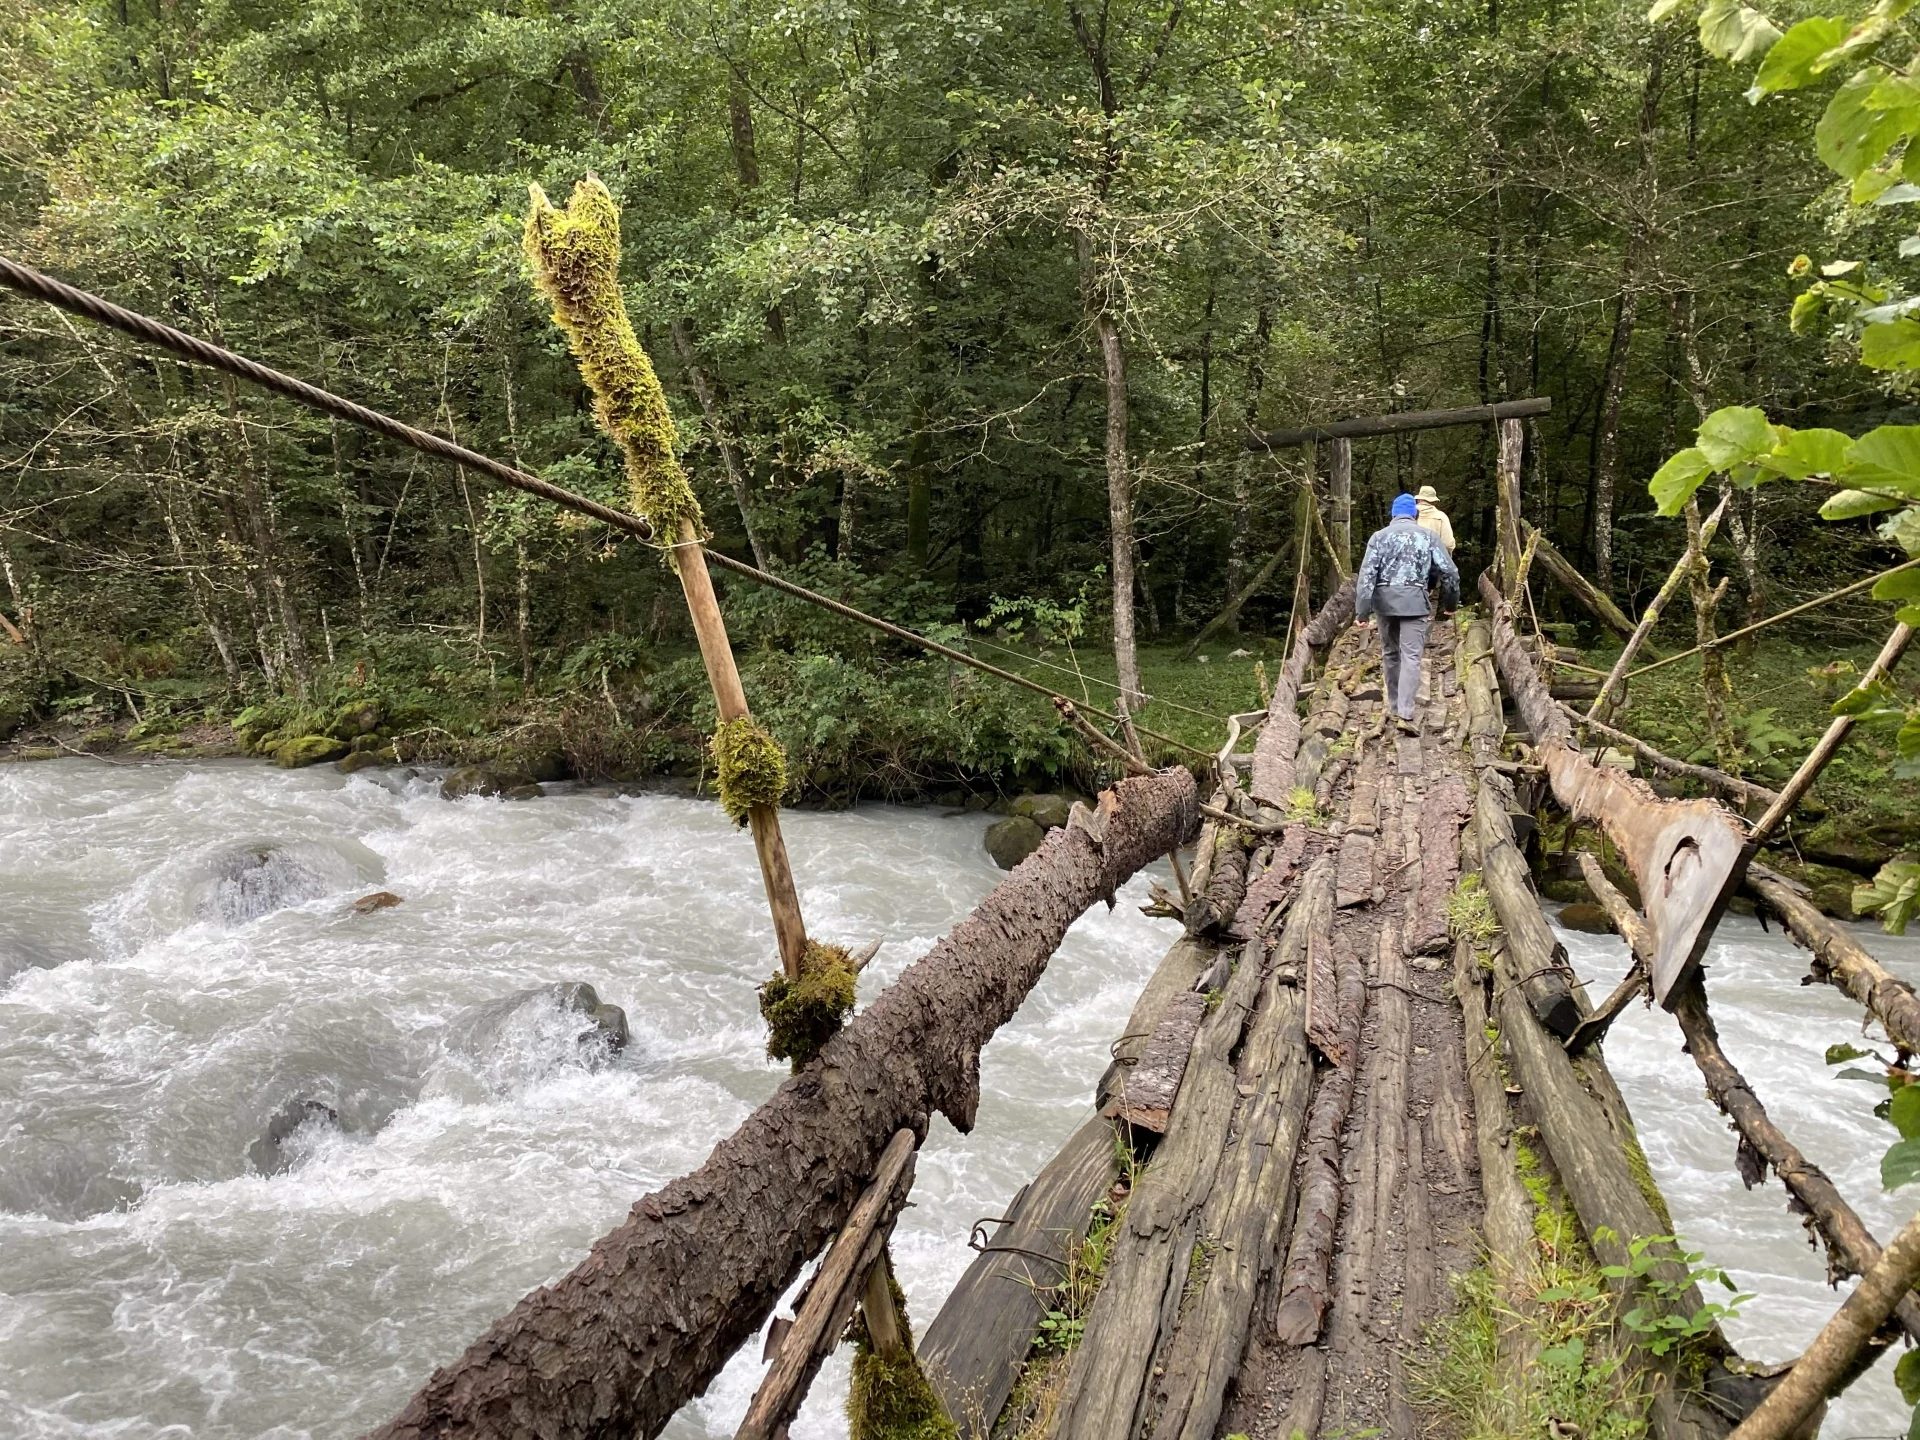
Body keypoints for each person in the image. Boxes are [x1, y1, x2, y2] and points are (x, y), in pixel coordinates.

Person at [1354, 493, 1461, 733]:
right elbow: (1449, 572)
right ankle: (1406, 711)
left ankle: (1393, 706)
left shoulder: (1378, 538)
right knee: (1411, 656)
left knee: (1390, 654)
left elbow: (1366, 577)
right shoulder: (1429, 537)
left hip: (1384, 605)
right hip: (1415, 603)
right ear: (1415, 514)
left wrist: (1362, 612)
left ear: (1392, 514)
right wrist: (1450, 604)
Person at [1414, 484, 1455, 552]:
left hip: (1411, 559)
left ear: (1419, 500)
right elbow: (1448, 544)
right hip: (1434, 559)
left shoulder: (1410, 515)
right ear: (1433, 501)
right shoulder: (1441, 517)